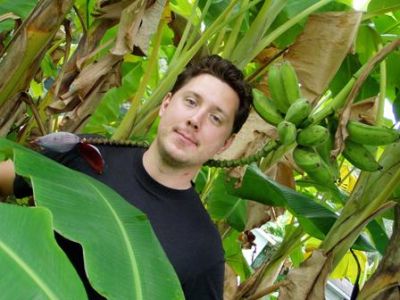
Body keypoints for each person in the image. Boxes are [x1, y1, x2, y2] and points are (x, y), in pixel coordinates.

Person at [0, 55, 252, 299]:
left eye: (215, 118)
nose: (195, 120)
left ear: (225, 144)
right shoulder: (87, 155)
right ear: (166, 104)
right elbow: (6, 177)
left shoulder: (203, 251)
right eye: (191, 102)